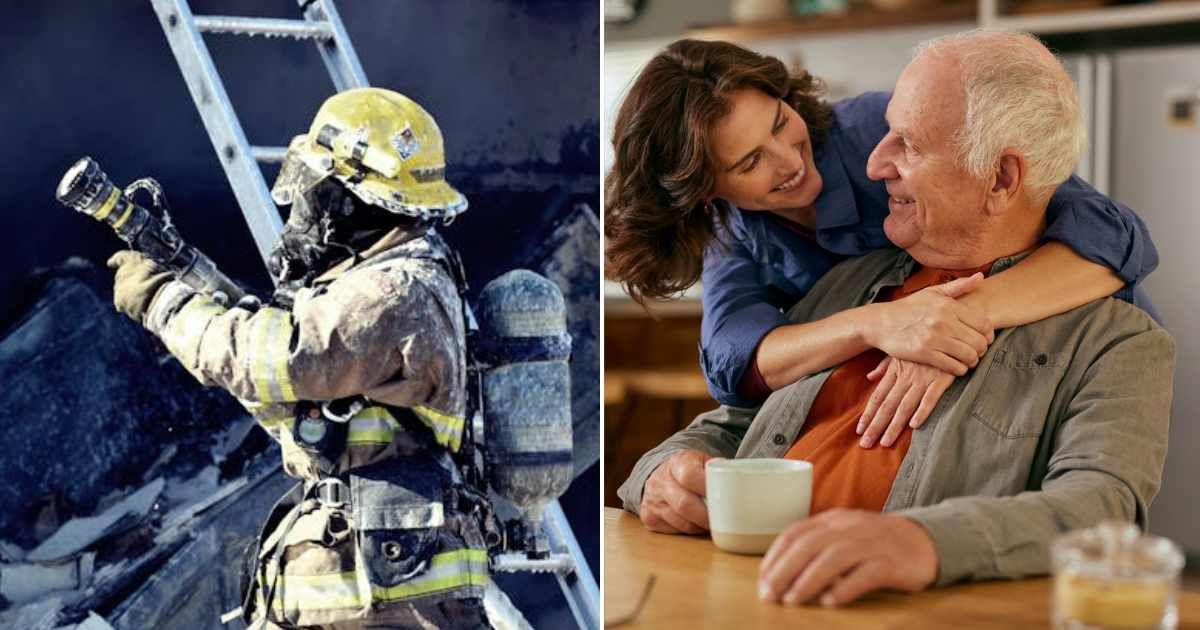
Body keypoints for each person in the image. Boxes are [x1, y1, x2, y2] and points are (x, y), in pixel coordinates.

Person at [618, 29, 1174, 607]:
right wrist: (657, 474)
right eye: (751, 160)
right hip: (736, 595)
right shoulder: (849, 286)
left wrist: (919, 541)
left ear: (1001, 178)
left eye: (906, 143)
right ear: (710, 192)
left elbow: (1099, 510)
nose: (874, 163)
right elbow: (735, 411)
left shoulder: (1115, 341)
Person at [604, 38, 1158, 449]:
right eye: (750, 162)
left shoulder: (879, 128)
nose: (790, 161)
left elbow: (1112, 235)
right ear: (706, 193)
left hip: (1063, 343)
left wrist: (958, 317)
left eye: (779, 122)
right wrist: (877, 324)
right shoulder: (734, 235)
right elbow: (735, 364)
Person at [107, 88, 490, 629]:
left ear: (350, 199)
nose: (303, 205)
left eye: (318, 189)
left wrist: (161, 299)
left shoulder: (391, 293)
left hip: (390, 601)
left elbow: (267, 359)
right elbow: (287, 390)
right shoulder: (384, 285)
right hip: (366, 594)